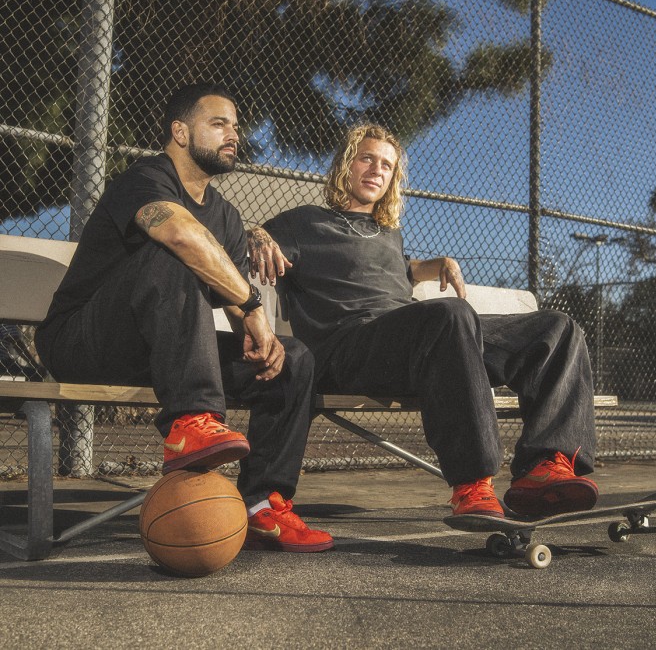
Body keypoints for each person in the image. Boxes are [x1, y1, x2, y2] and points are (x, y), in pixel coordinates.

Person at [35, 84, 333, 552]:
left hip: (161, 352)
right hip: (83, 341)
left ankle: (263, 504)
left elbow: (234, 297)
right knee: (174, 249)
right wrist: (253, 307)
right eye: (218, 124)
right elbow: (179, 235)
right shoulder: (145, 178)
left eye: (236, 126)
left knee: (291, 360)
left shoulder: (227, 217)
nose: (233, 134)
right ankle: (192, 421)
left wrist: (258, 332)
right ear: (180, 132)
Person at [248, 123, 599, 519]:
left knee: (557, 329)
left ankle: (545, 466)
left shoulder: (388, 235)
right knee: (451, 314)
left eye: (386, 165)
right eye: (367, 159)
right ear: (346, 164)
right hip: (348, 349)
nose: (377, 170)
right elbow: (242, 241)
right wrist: (257, 234)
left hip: (418, 344)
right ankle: (473, 484)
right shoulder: (304, 222)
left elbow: (396, 270)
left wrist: (436, 264)